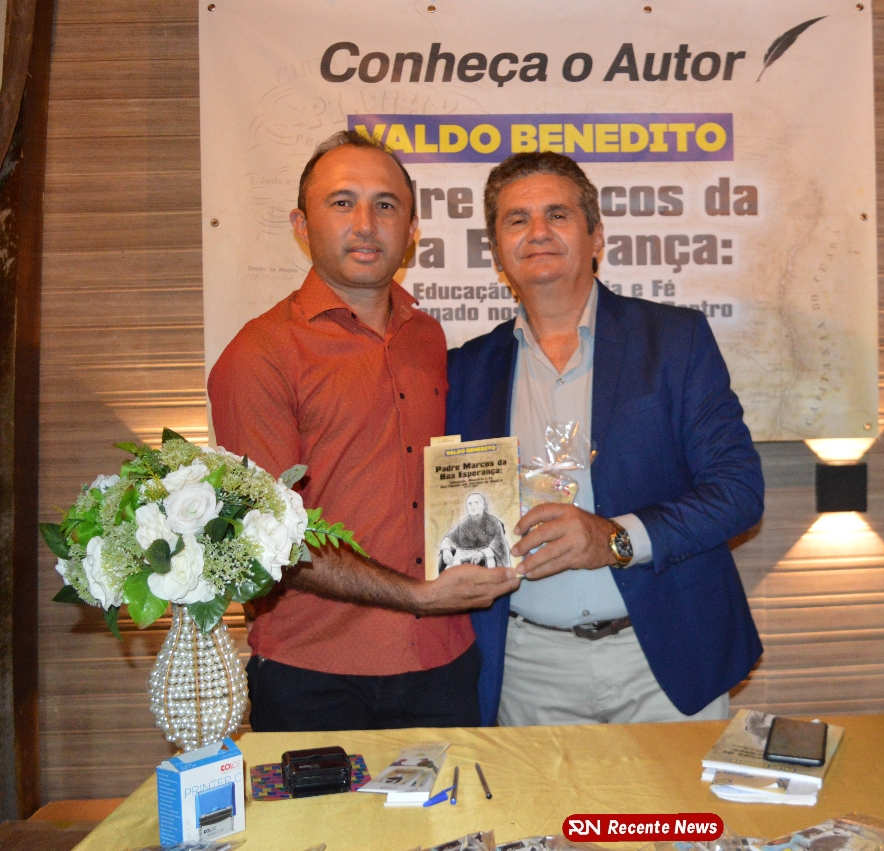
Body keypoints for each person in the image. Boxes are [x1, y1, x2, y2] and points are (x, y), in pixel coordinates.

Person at [207, 130, 520, 731]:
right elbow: (269, 542)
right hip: (315, 675)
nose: (365, 224)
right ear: (302, 226)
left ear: (412, 229)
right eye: (342, 202)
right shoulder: (259, 354)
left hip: (444, 661)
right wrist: (416, 595)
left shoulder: (427, 337)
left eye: (385, 204)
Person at [447, 151, 764, 726]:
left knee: (677, 795)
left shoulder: (675, 340)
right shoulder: (465, 370)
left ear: (595, 236)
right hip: (527, 669)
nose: (537, 232)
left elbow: (739, 491)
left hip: (662, 658)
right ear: (496, 251)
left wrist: (614, 539)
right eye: (517, 220)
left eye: (557, 215)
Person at [438, 492, 511, 571]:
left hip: (488, 557)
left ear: (483, 505)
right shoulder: (463, 523)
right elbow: (449, 538)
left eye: (476, 502)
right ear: (467, 507)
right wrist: (446, 549)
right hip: (463, 557)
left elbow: (499, 545)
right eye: (470, 504)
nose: (473, 506)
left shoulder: (493, 522)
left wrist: (483, 553)